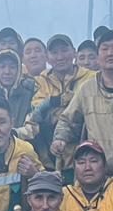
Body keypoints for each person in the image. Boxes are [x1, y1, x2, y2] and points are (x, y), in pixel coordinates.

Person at [51, 28, 113, 179]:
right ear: (98, 57)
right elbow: (68, 120)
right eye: (104, 49)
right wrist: (60, 138)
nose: (110, 53)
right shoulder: (87, 88)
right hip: (96, 175)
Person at [29, 34, 93, 167]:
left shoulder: (91, 78)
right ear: (47, 57)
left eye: (64, 50)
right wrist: (58, 101)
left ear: (74, 53)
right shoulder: (41, 81)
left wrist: (54, 109)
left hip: (85, 155)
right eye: (54, 52)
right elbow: (37, 113)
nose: (60, 57)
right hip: (49, 157)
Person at [0, 49, 38, 132]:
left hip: (23, 143)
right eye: (2, 67)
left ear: (19, 70)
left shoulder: (30, 96)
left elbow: (33, 125)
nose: (7, 72)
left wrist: (14, 134)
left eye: (12, 67)